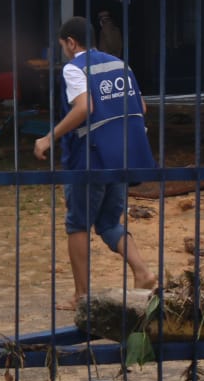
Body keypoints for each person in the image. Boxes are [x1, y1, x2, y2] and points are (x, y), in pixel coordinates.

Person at [33, 16, 158, 309]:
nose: (64, 50)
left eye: (63, 45)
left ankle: (81, 296)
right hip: (121, 157)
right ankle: (143, 271)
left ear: (71, 43)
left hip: (89, 157)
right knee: (108, 223)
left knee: (77, 224)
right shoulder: (119, 65)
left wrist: (49, 138)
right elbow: (141, 106)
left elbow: (84, 107)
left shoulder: (74, 68)